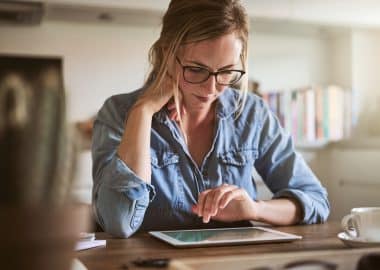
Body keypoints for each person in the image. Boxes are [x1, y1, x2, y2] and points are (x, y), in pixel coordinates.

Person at [92, 0, 330, 238]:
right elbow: (118, 222)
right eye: (196, 69)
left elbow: (315, 200)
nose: (211, 88)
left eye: (226, 71)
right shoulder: (119, 114)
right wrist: (143, 112)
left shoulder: (252, 114)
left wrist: (256, 209)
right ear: (167, 52)